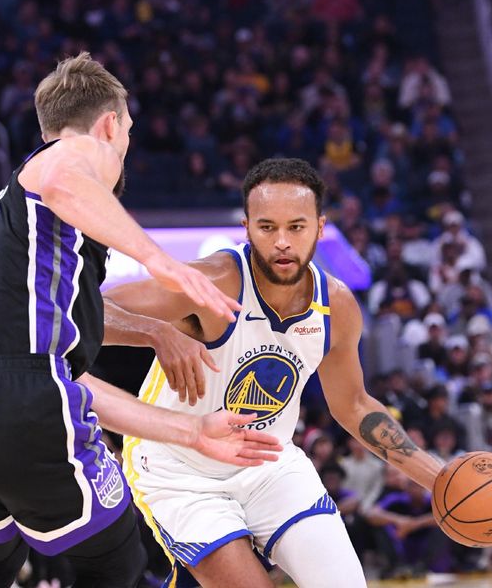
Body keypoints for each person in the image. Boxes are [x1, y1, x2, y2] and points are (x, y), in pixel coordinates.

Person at [0, 53, 281, 588]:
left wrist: (186, 412)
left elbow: (65, 378)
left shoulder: (12, 226)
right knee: (116, 564)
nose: (125, 144)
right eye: (127, 130)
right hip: (17, 402)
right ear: (110, 124)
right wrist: (160, 261)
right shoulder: (65, 158)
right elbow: (65, 171)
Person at [106, 158, 444, 588]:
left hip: (269, 463)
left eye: (296, 227)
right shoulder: (212, 283)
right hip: (179, 469)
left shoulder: (335, 306)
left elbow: (355, 405)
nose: (282, 242)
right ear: (247, 228)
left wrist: (439, 478)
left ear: (320, 228)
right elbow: (85, 311)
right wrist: (156, 333)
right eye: (267, 228)